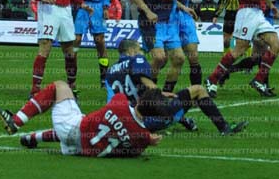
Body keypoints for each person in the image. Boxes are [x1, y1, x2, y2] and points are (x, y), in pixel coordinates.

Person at [105, 39, 245, 136]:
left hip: (126, 121)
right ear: (131, 51)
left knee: (173, 99)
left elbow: (110, 103)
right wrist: (162, 94)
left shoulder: (110, 71)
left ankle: (184, 120)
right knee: (198, 90)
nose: (141, 52)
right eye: (139, 49)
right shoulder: (137, 60)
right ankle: (224, 128)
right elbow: (151, 89)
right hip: (147, 119)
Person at [0, 82, 162, 156]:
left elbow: (121, 110)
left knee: (59, 87)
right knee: (89, 124)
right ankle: (32, 138)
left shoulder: (120, 101)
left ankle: (15, 121)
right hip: (81, 150)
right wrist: (148, 138)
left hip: (73, 130)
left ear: (140, 100)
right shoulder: (142, 139)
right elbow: (134, 147)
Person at [129, 0, 186, 90]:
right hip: (152, 24)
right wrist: (148, 12)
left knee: (179, 58)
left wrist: (183, 7)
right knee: (160, 58)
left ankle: (167, 93)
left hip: (169, 22)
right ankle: (147, 91)